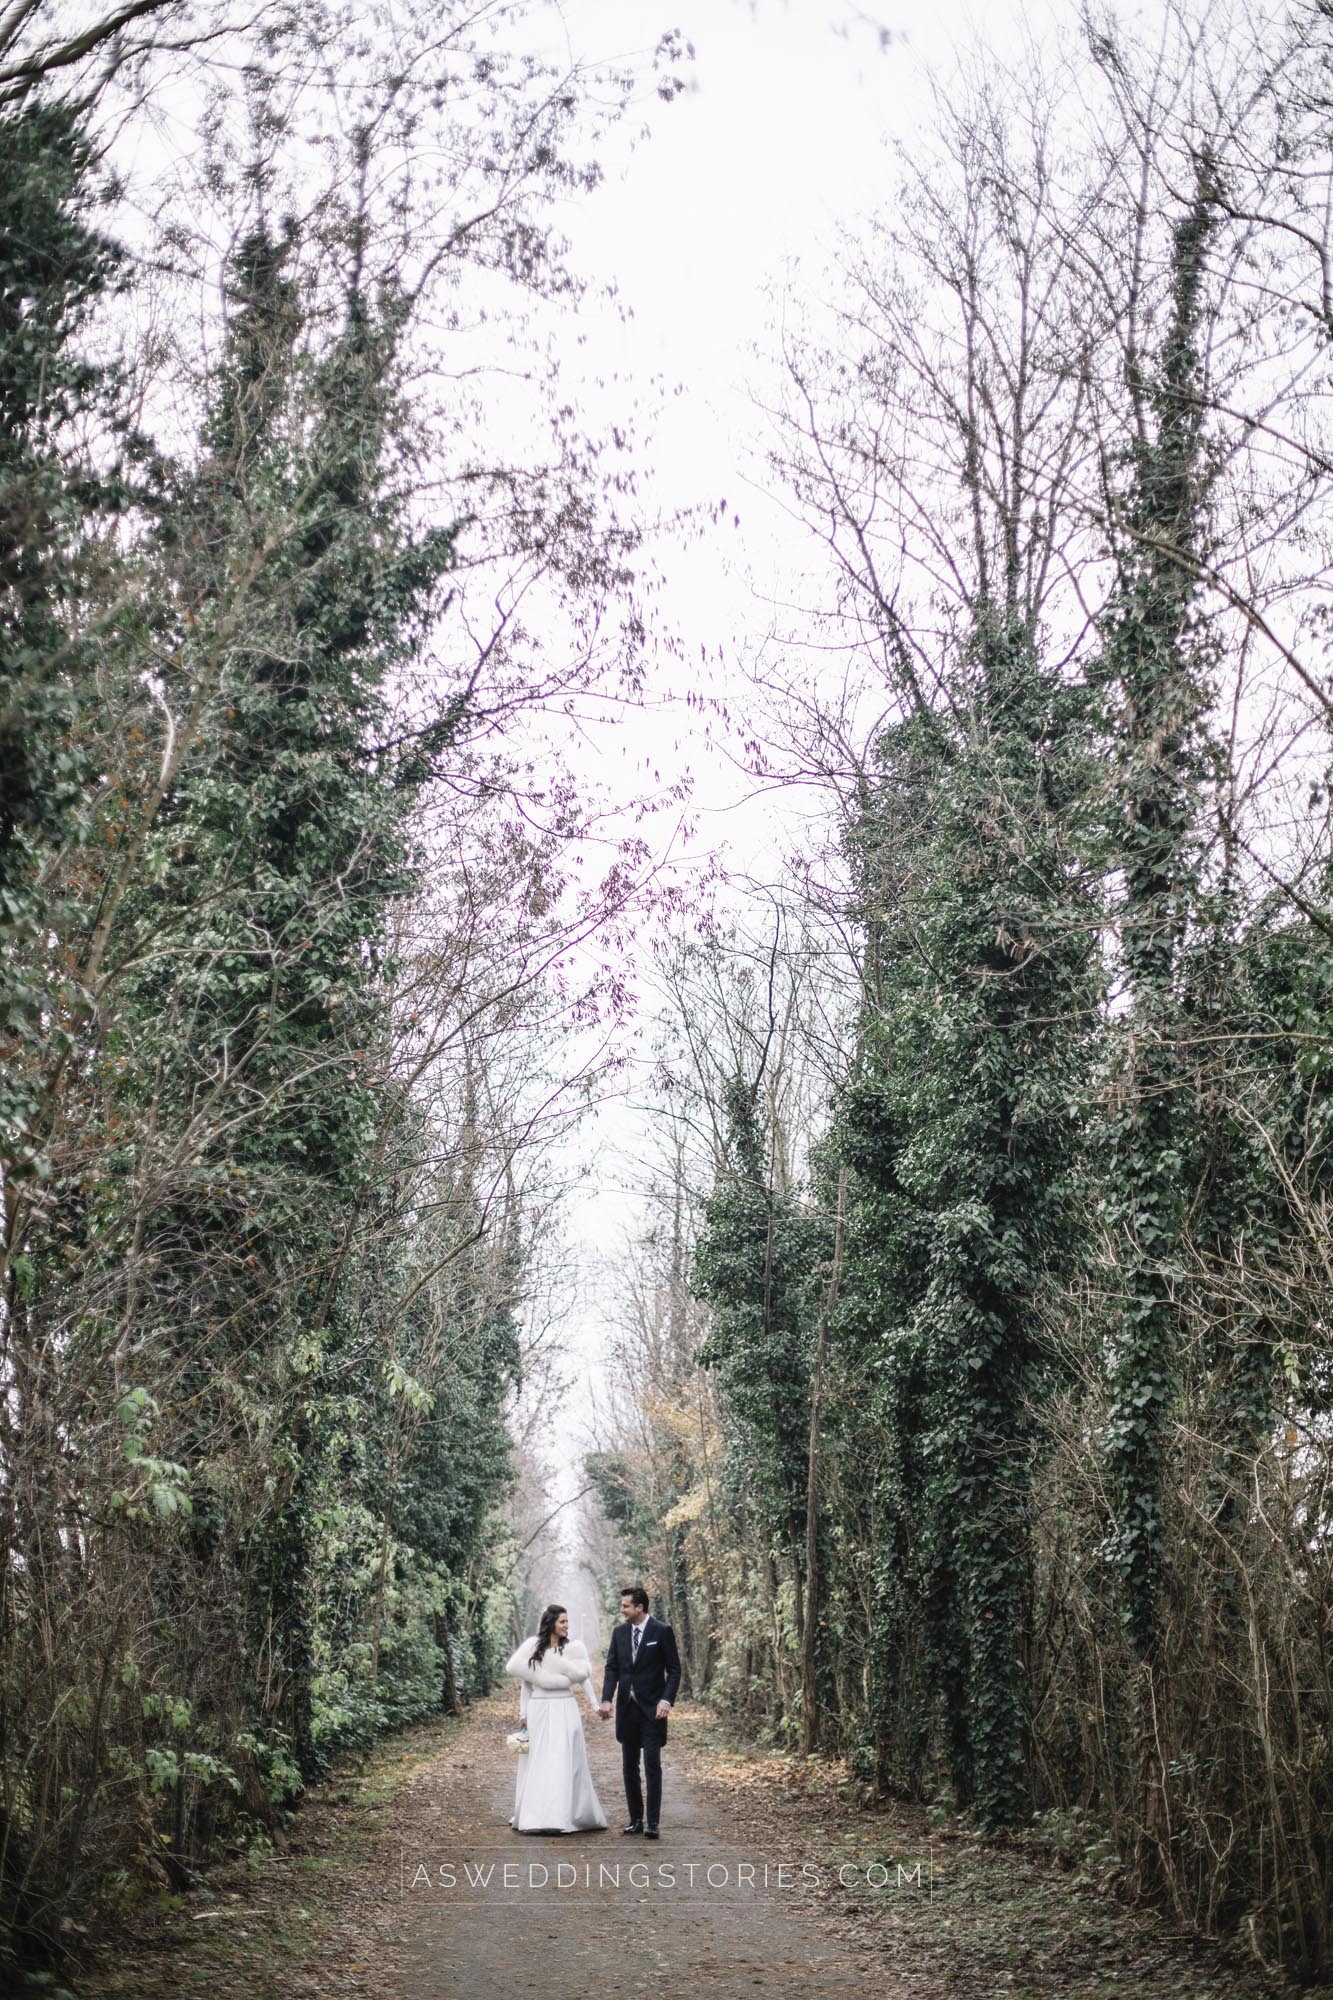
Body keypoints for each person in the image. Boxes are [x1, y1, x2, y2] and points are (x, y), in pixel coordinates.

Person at [504, 1604, 608, 1834]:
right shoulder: (533, 1646)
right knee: (540, 1760)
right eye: (562, 1621)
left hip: (565, 1706)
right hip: (539, 1707)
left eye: (567, 1622)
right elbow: (526, 1683)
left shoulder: (571, 1649)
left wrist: (595, 1705)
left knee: (564, 1759)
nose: (566, 1626)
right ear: (551, 1622)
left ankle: (564, 1815)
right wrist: (523, 1714)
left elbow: (584, 1680)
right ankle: (536, 1814)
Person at [598, 1584, 681, 1839]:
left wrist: (666, 1700)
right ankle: (635, 1819)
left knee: (652, 1765)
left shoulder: (662, 1631)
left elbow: (674, 1670)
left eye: (625, 1606)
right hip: (627, 1710)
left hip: (653, 1710)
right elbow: (612, 1668)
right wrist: (607, 1699)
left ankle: (652, 1823)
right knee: (629, 1767)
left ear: (639, 1607)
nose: (621, 1609)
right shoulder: (619, 1632)